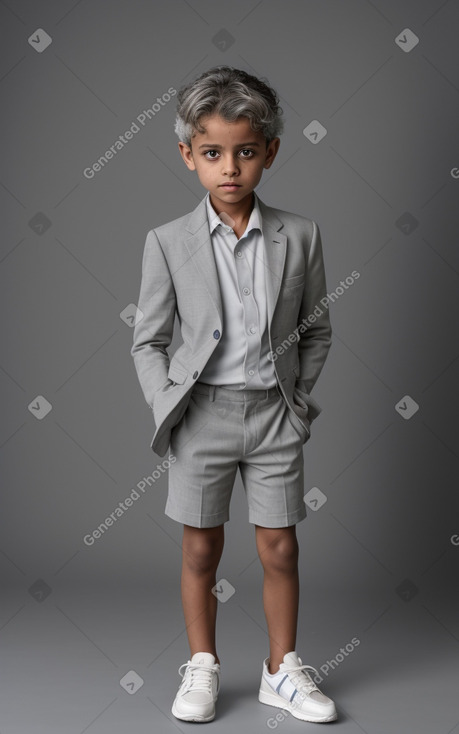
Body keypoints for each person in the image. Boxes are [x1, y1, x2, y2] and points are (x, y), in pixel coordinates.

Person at [131, 65, 337, 724]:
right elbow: (148, 341)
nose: (230, 168)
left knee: (280, 547)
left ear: (269, 152)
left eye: (245, 152)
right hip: (203, 418)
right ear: (188, 155)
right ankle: (202, 664)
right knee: (201, 549)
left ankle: (281, 669)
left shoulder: (299, 235)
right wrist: (168, 403)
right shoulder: (166, 242)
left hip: (273, 416)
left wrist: (297, 401)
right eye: (213, 153)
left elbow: (316, 328)